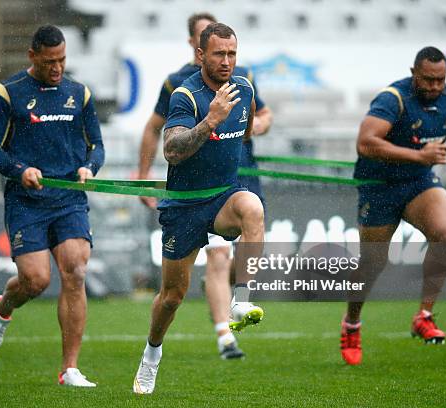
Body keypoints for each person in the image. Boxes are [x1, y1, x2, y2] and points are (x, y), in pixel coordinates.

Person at [133, 23, 265, 394]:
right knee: (172, 297)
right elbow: (172, 151)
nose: (227, 61)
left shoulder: (246, 89)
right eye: (219, 54)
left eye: (232, 54)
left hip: (224, 196)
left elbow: (248, 129)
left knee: (252, 208)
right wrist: (212, 120)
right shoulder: (185, 96)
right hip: (185, 205)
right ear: (200, 55)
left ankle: (241, 302)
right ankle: (152, 354)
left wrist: (229, 128)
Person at [0, 25, 104, 387]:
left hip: (68, 201)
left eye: (63, 59)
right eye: (50, 61)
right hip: (27, 202)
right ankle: (2, 309)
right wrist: (19, 170)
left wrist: (89, 168)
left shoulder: (78, 94)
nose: (57, 68)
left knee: (75, 272)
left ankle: (70, 370)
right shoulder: (8, 93)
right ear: (32, 56)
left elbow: (96, 145)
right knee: (35, 281)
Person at [340, 46, 446, 365]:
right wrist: (419, 156)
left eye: (441, 80)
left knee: (445, 233)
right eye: (428, 80)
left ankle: (424, 315)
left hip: (417, 181)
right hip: (379, 185)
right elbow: (365, 143)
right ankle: (352, 322)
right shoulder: (392, 99)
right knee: (373, 264)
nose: (435, 87)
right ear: (413, 73)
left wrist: (421, 161)